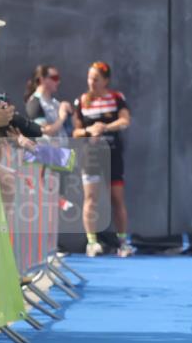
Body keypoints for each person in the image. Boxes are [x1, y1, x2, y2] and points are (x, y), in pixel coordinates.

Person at [71, 60, 135, 257]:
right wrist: (89, 131)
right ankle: (92, 242)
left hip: (113, 154)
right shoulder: (81, 101)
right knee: (91, 198)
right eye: (90, 78)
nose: (91, 82)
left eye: (96, 79)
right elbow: (76, 132)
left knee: (116, 198)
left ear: (105, 81)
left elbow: (125, 120)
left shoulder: (116, 98)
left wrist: (105, 127)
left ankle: (123, 243)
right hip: (91, 156)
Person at [25, 65, 73, 142]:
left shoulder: (55, 102)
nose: (58, 82)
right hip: (48, 152)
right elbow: (44, 131)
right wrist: (62, 117)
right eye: (54, 78)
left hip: (62, 151)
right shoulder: (34, 102)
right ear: (42, 80)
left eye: (58, 78)